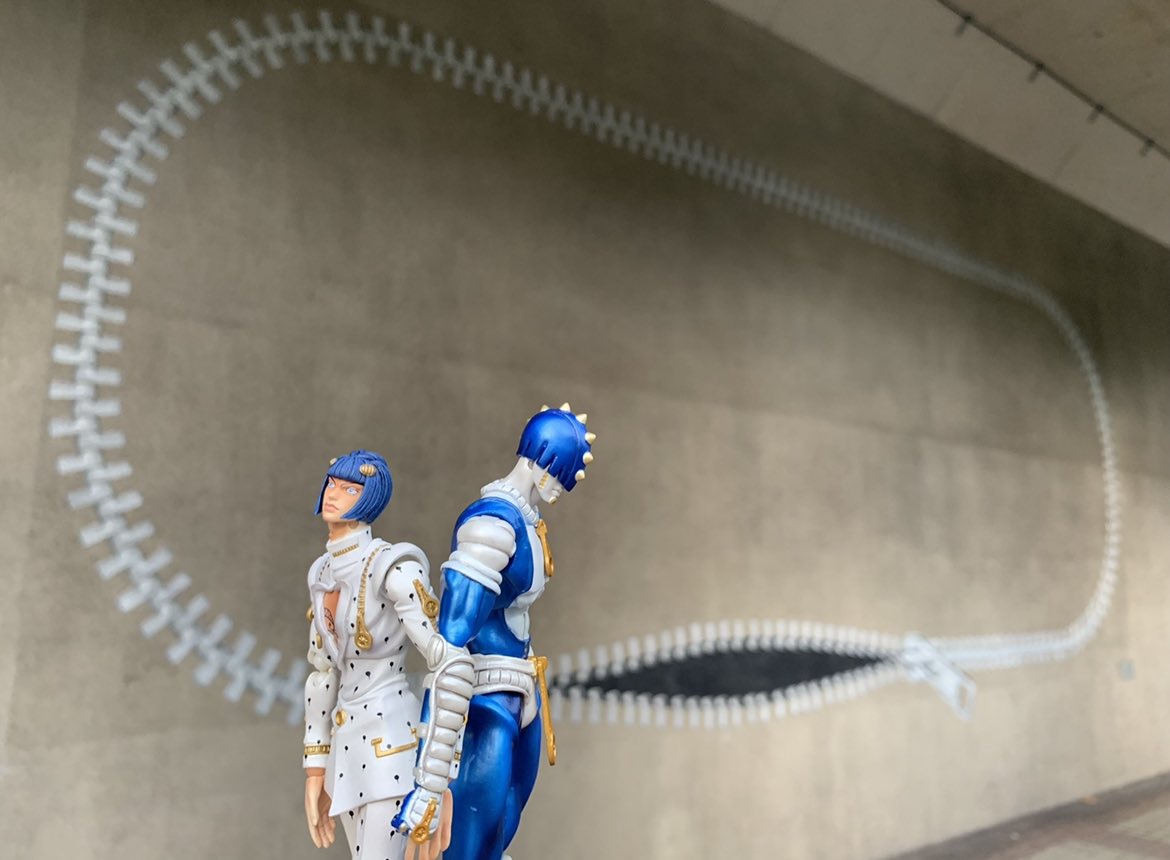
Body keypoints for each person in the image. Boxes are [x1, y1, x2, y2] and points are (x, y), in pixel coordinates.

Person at [394, 405, 594, 860]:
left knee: (501, 830)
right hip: (483, 699)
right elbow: (450, 649)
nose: (559, 490)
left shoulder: (528, 521)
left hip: (520, 691)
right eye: (560, 475)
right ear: (542, 459)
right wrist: (429, 781)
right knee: (470, 836)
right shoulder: (493, 526)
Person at [302, 449, 450, 860]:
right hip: (345, 751)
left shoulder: (393, 568)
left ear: (370, 498)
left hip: (393, 749)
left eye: (350, 489)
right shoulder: (322, 572)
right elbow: (322, 672)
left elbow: (448, 666)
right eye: (332, 483)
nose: (334, 494)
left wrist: (439, 777)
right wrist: (315, 766)